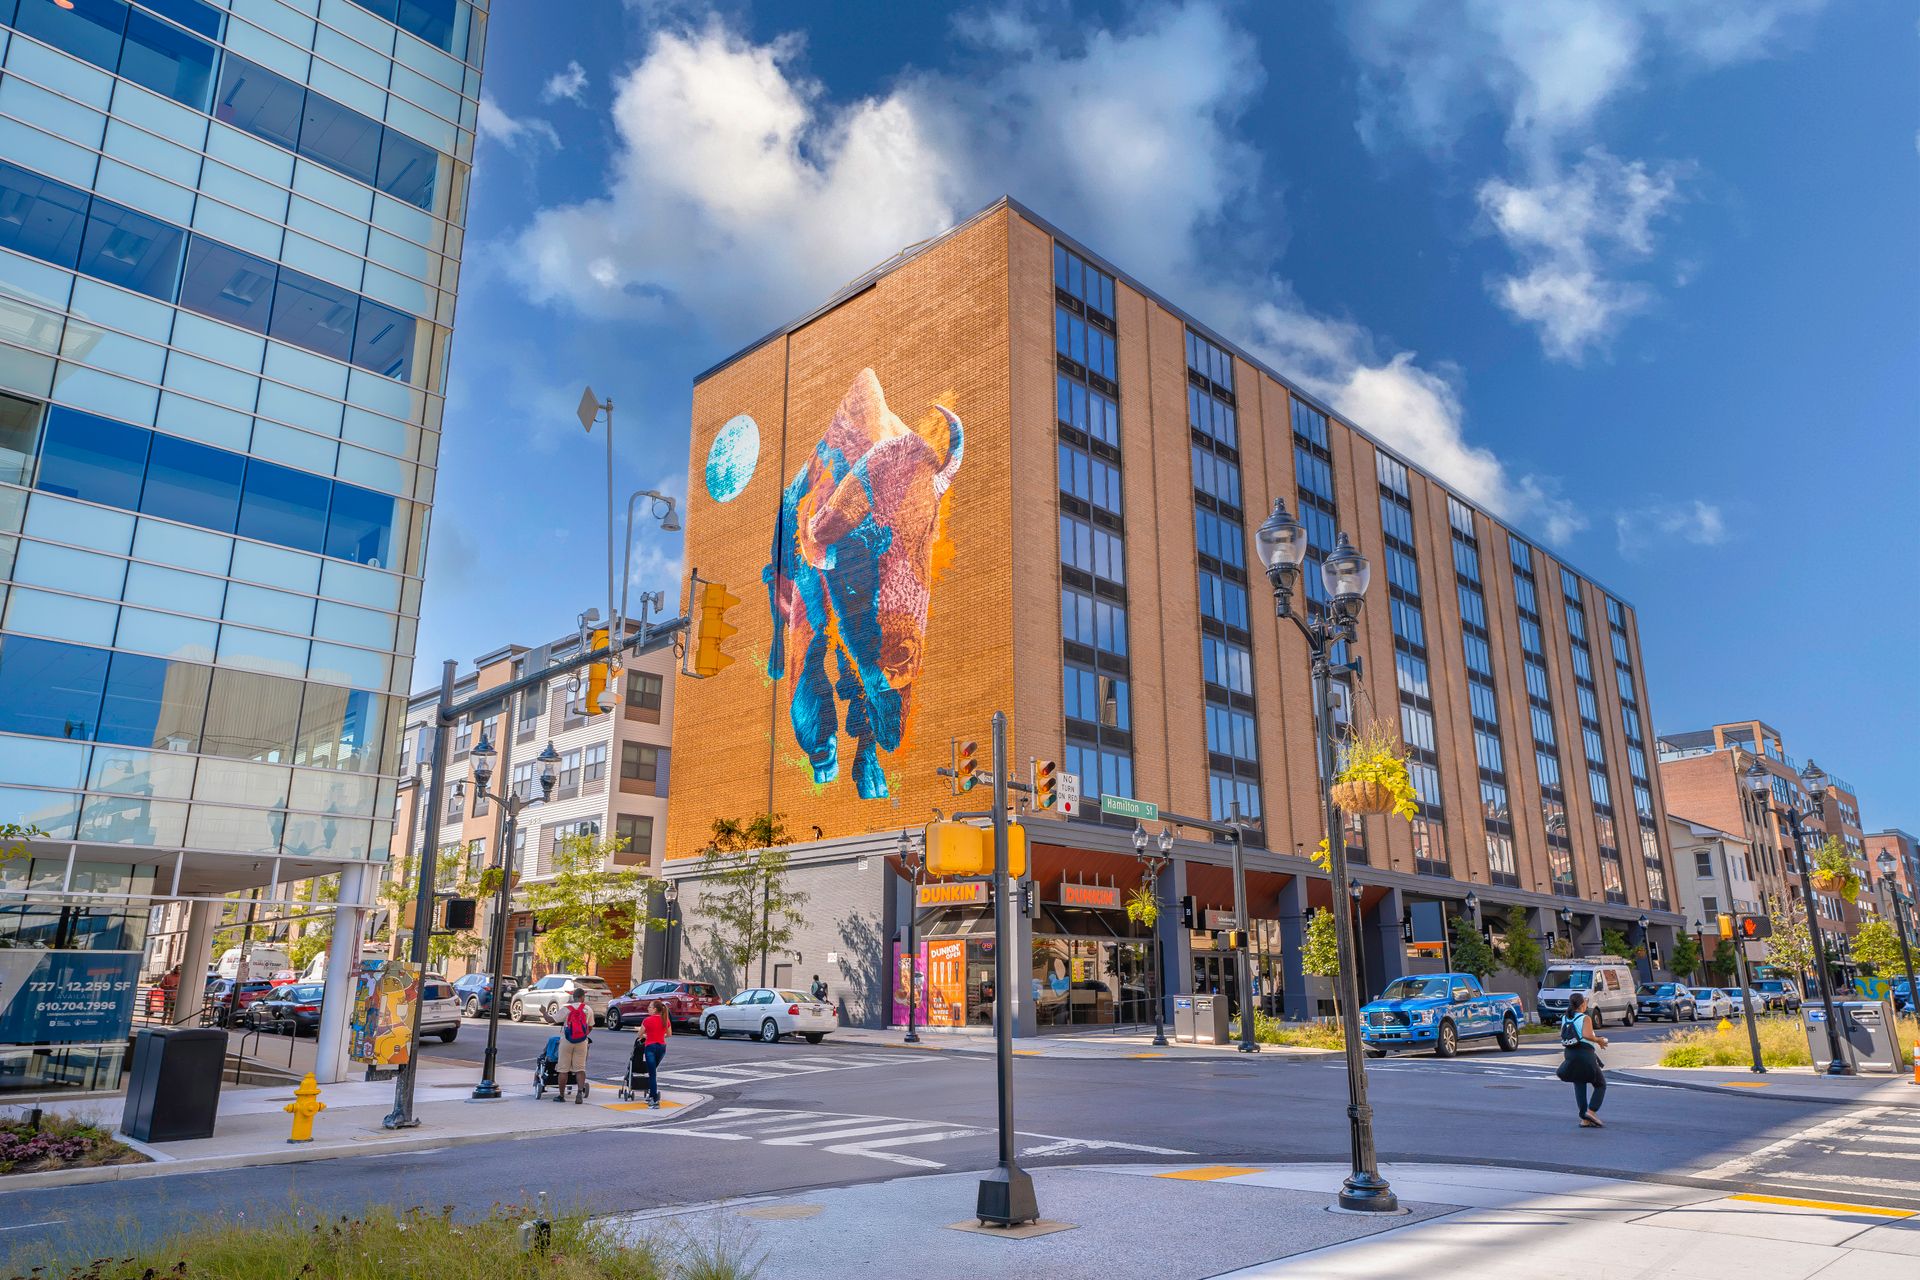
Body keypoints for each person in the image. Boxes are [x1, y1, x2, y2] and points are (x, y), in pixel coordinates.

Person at [1557, 990, 1609, 1127]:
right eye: (1586, 1001)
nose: (1586, 1003)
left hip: (1570, 1053)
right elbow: (1586, 1035)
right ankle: (1591, 1112)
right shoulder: (1585, 1018)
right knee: (1600, 1084)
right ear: (1581, 1005)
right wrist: (1599, 1040)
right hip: (1584, 1053)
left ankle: (1584, 1119)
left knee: (1579, 1082)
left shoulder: (1565, 1018)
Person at [556, 987, 592, 1103]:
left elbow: (552, 1019)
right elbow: (590, 1026)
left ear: (573, 997)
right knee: (580, 1069)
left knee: (563, 1069)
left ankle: (561, 1096)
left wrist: (543, 1012)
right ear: (582, 997)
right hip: (581, 1042)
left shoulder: (567, 1008)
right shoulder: (588, 1009)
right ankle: (579, 1093)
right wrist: (582, 1035)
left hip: (567, 1041)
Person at [636, 999, 669, 1108]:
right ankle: (651, 1094)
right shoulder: (665, 1020)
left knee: (652, 1074)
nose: (648, 1009)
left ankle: (654, 1099)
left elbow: (639, 1035)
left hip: (650, 1047)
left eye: (650, 1007)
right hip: (662, 1048)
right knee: (653, 1071)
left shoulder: (647, 1020)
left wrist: (647, 1035)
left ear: (654, 1009)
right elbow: (669, 1034)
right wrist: (659, 1035)